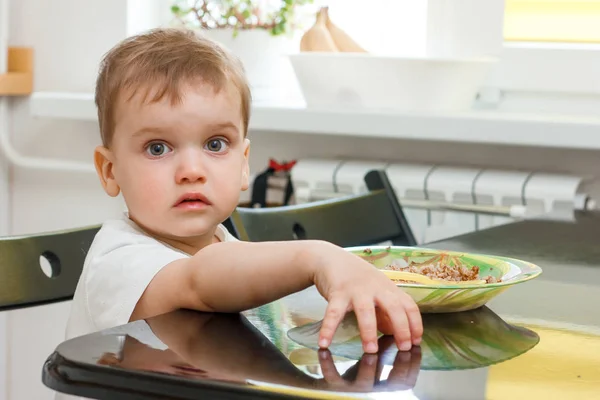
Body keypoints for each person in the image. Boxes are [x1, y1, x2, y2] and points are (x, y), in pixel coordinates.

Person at [65, 27, 422, 355]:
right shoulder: (116, 259)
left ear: (245, 163)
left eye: (216, 144)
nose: (192, 171)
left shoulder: (229, 250)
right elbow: (199, 281)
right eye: (158, 148)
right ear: (110, 171)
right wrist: (320, 257)